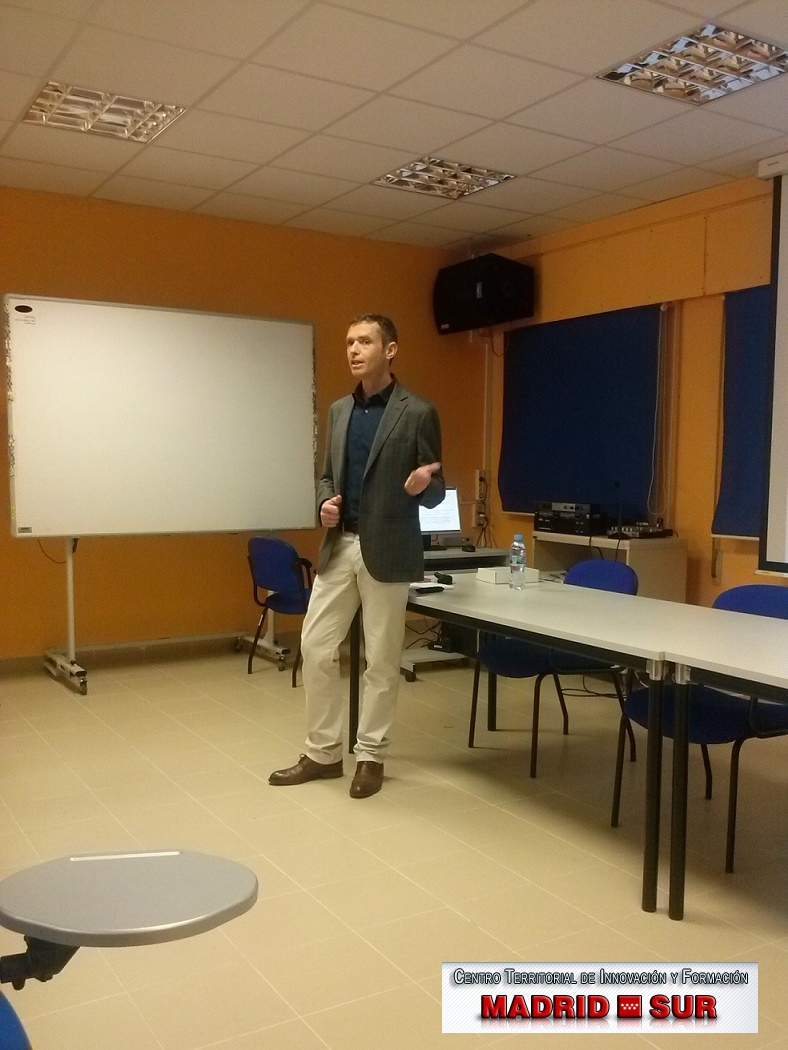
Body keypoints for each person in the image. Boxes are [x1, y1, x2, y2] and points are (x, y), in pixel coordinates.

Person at [269, 313, 444, 798]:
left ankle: (370, 755)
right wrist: (323, 503)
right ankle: (323, 753)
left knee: (381, 660)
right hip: (340, 544)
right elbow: (327, 475)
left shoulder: (418, 412)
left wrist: (423, 486)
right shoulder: (339, 410)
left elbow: (436, 489)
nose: (353, 350)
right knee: (315, 647)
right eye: (349, 342)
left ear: (390, 350)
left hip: (388, 548)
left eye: (364, 341)